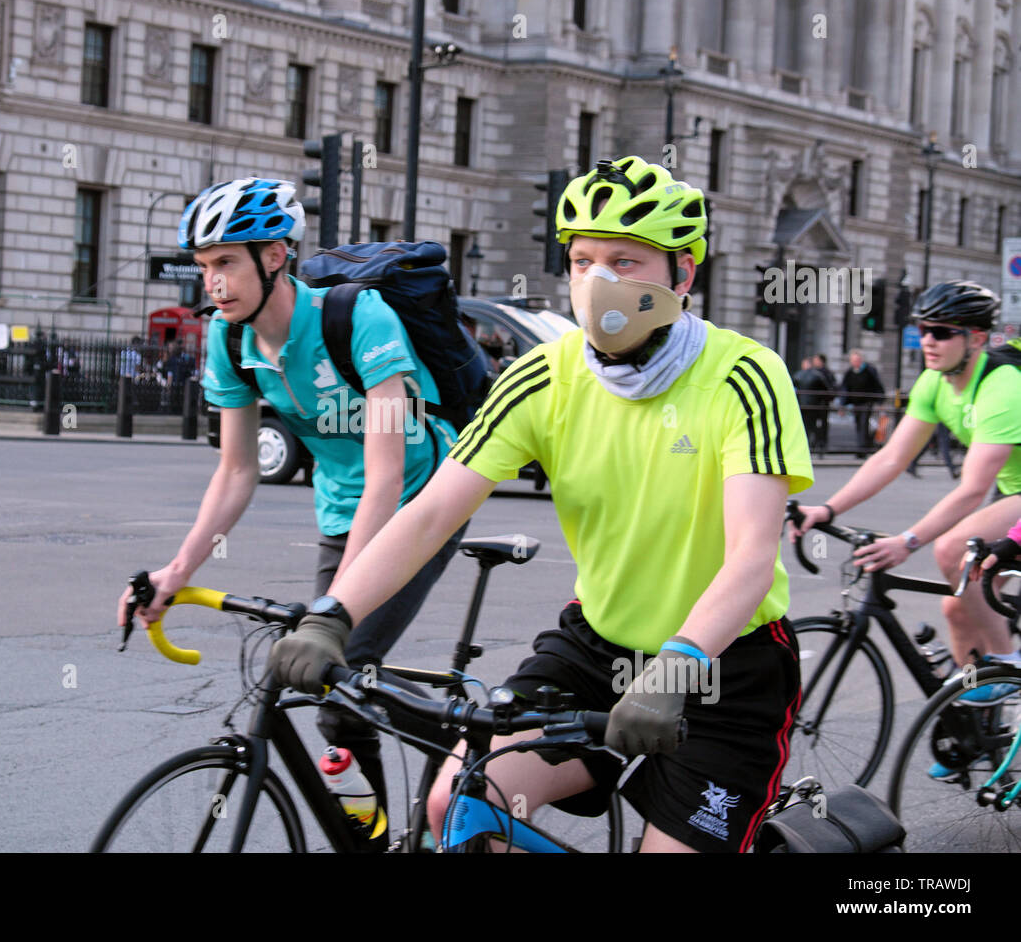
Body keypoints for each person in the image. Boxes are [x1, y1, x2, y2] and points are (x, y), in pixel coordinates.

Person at [271, 156, 814, 853]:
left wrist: (676, 665)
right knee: (460, 803)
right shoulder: (541, 377)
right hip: (595, 648)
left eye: (625, 260)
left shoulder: (745, 375)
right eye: (582, 261)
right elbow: (431, 513)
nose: (598, 282)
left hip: (724, 669)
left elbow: (750, 557)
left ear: (683, 274)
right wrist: (334, 616)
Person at [116, 177, 466, 818]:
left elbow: (386, 475)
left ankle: (469, 751)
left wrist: (334, 609)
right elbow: (236, 472)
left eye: (225, 262)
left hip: (422, 501)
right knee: (339, 691)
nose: (213, 283)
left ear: (274, 256)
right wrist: (177, 570)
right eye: (203, 268)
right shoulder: (231, 343)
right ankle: (376, 832)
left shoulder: (357, 317)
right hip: (343, 509)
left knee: (342, 663)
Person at [792, 281, 1021, 723]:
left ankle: (1007, 664)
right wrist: (828, 509)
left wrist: (907, 541)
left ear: (975, 338)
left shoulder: (1003, 386)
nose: (928, 341)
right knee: (957, 606)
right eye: (923, 329)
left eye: (941, 331)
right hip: (1011, 489)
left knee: (952, 551)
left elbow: (973, 489)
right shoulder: (936, 382)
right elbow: (891, 457)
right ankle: (974, 728)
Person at [841, 349, 884, 457]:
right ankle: (862, 447)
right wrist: (842, 405)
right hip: (856, 403)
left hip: (867, 402)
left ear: (861, 360)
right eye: (853, 360)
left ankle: (862, 449)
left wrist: (879, 401)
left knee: (864, 424)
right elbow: (845, 388)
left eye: (856, 360)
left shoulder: (869, 371)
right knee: (858, 425)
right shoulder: (850, 372)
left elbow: (877, 385)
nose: (855, 362)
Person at [793, 357, 827, 452]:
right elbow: (826, 389)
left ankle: (804, 444)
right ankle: (813, 445)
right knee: (813, 425)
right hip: (814, 404)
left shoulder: (798, 375)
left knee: (803, 425)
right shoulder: (817, 375)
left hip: (801, 405)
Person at [812, 354, 836, 451]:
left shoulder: (826, 373)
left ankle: (822, 443)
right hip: (815, 402)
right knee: (815, 423)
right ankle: (816, 442)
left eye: (816, 360)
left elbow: (831, 387)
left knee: (823, 423)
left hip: (823, 402)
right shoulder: (814, 372)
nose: (814, 362)